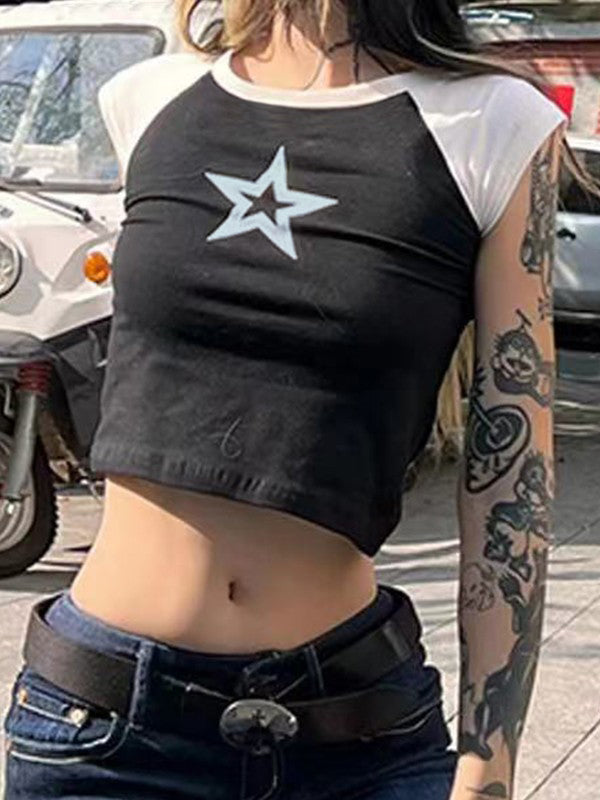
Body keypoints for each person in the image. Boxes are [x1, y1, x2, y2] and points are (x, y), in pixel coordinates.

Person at [2, 1, 570, 799]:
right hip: (108, 732)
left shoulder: (494, 123)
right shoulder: (152, 98)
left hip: (354, 733)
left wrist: (489, 768)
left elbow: (511, 473)